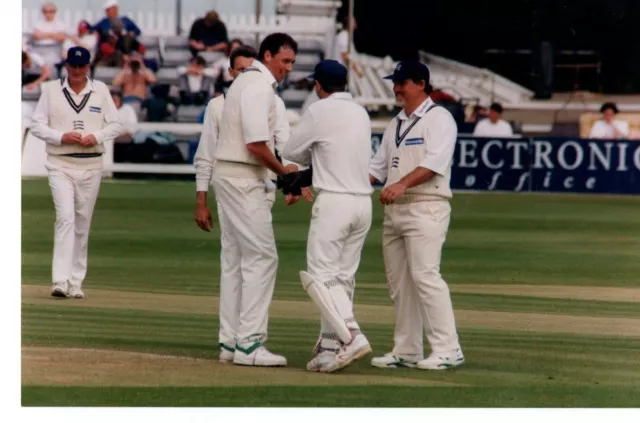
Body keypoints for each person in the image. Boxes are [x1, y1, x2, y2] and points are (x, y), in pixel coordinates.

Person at [194, 45, 290, 363]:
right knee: (251, 260)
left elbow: (282, 144)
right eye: (239, 68)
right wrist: (201, 198)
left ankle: (234, 342)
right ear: (232, 71)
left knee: (245, 261)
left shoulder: (266, 97)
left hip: (254, 183)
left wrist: (286, 178)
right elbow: (219, 152)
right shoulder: (242, 94)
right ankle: (243, 343)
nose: (288, 67)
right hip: (241, 181)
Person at [368, 60, 464, 371]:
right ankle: (407, 349)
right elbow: (375, 169)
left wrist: (401, 184)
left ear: (421, 84)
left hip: (426, 205)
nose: (396, 88)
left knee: (425, 276)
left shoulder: (439, 119)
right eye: (394, 82)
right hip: (394, 208)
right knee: (400, 283)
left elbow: (435, 163)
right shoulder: (395, 123)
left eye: (402, 82)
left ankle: (449, 349)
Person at [282, 60, 373, 373]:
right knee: (341, 279)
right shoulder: (360, 112)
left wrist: (312, 157)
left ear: (318, 85)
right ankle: (328, 350)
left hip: (335, 202)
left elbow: (292, 151)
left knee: (320, 277)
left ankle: (352, 335)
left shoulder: (319, 111)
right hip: (364, 205)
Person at [29, 46, 122, 299]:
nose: (77, 71)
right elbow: (36, 125)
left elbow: (115, 124)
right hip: (60, 164)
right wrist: (61, 136)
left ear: (88, 67)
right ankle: (59, 280)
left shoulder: (100, 90)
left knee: (82, 224)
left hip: (90, 165)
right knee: (66, 218)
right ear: (66, 65)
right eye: (73, 66)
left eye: (82, 66)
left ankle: (76, 281)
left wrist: (96, 136)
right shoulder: (50, 89)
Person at [93, 0, 143, 67]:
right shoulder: (104, 22)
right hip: (110, 53)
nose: (107, 12)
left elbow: (137, 31)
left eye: (109, 10)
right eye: (107, 10)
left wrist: (132, 33)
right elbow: (92, 30)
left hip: (124, 50)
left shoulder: (125, 20)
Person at [31, 2, 71, 69]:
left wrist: (43, 35)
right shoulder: (39, 23)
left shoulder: (60, 24)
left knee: (49, 63)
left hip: (54, 49)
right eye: (45, 11)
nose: (48, 14)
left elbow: (62, 37)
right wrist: (53, 35)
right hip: (38, 48)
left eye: (51, 11)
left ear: (55, 12)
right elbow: (36, 35)